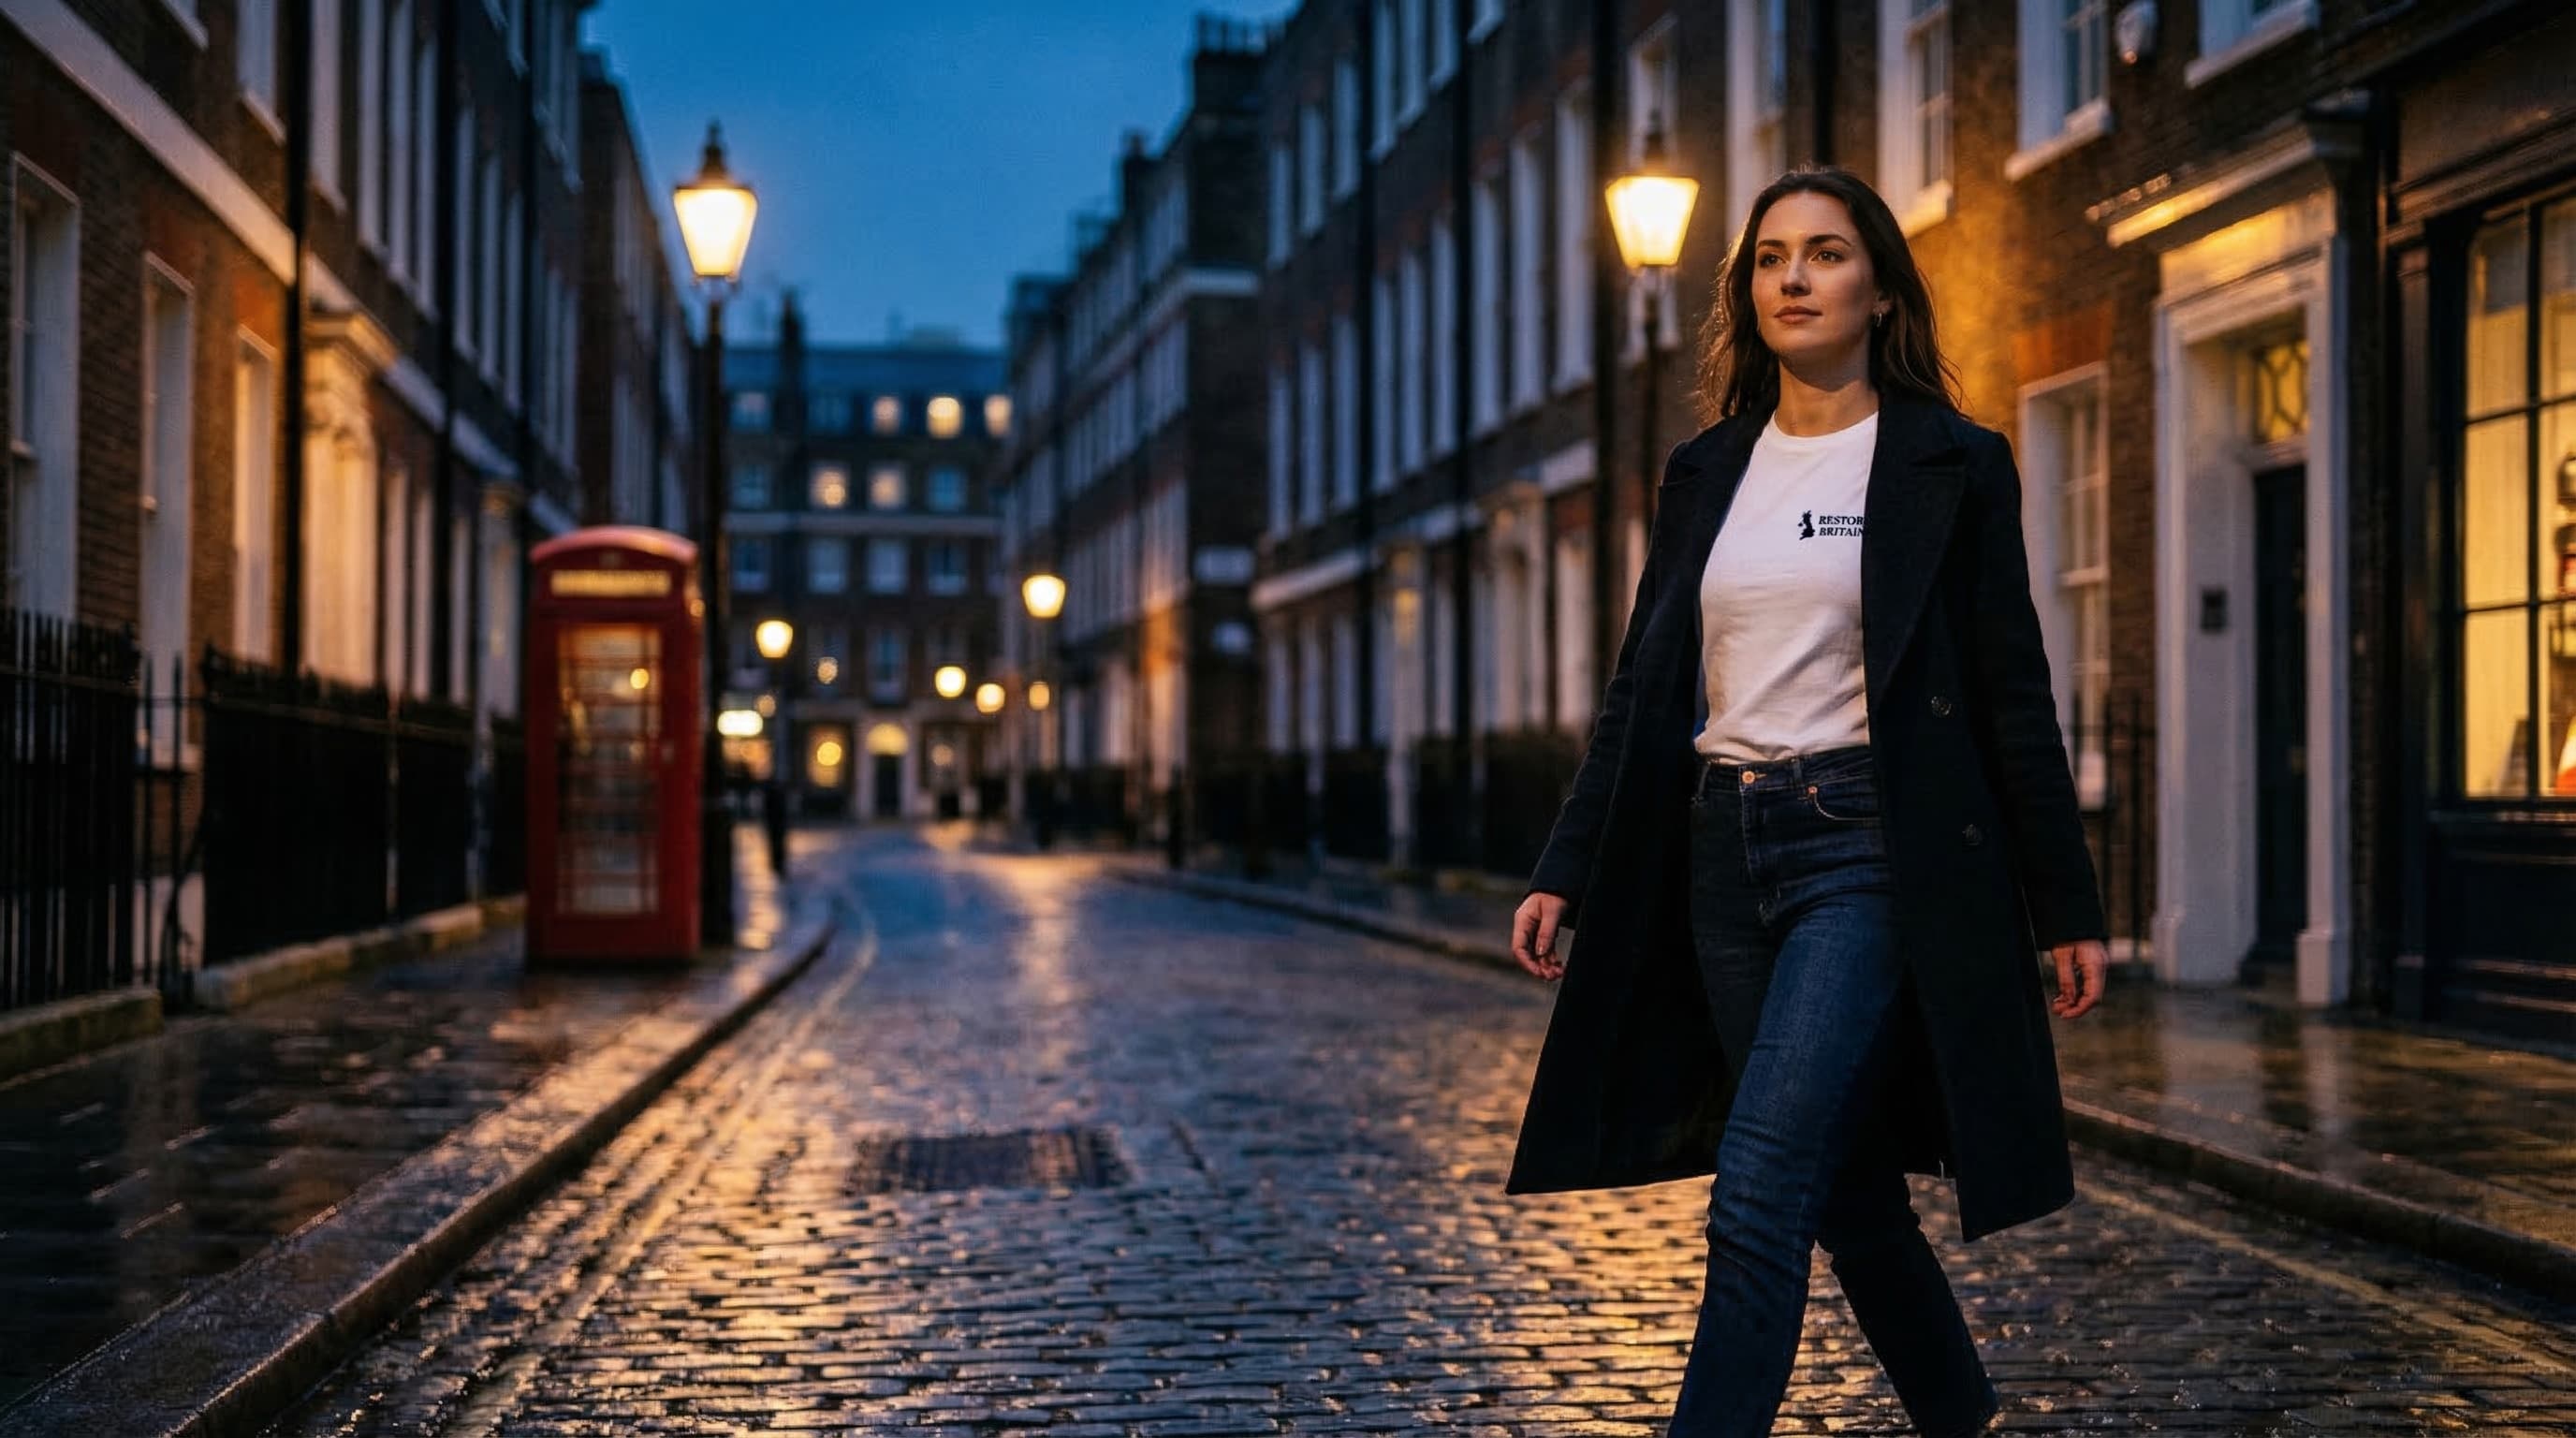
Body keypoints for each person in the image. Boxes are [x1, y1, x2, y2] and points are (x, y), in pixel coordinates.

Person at [1503, 165, 2110, 1438]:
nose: (1793, 276)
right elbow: (1644, 685)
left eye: (1826, 253)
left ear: (1879, 287)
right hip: (1723, 853)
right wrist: (1567, 861)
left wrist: (2065, 902)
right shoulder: (1708, 470)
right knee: (1841, 1189)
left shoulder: (1953, 461)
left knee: (1764, 1177)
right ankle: (1961, 1411)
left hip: (1868, 852)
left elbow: (2011, 693)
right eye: (1772, 257)